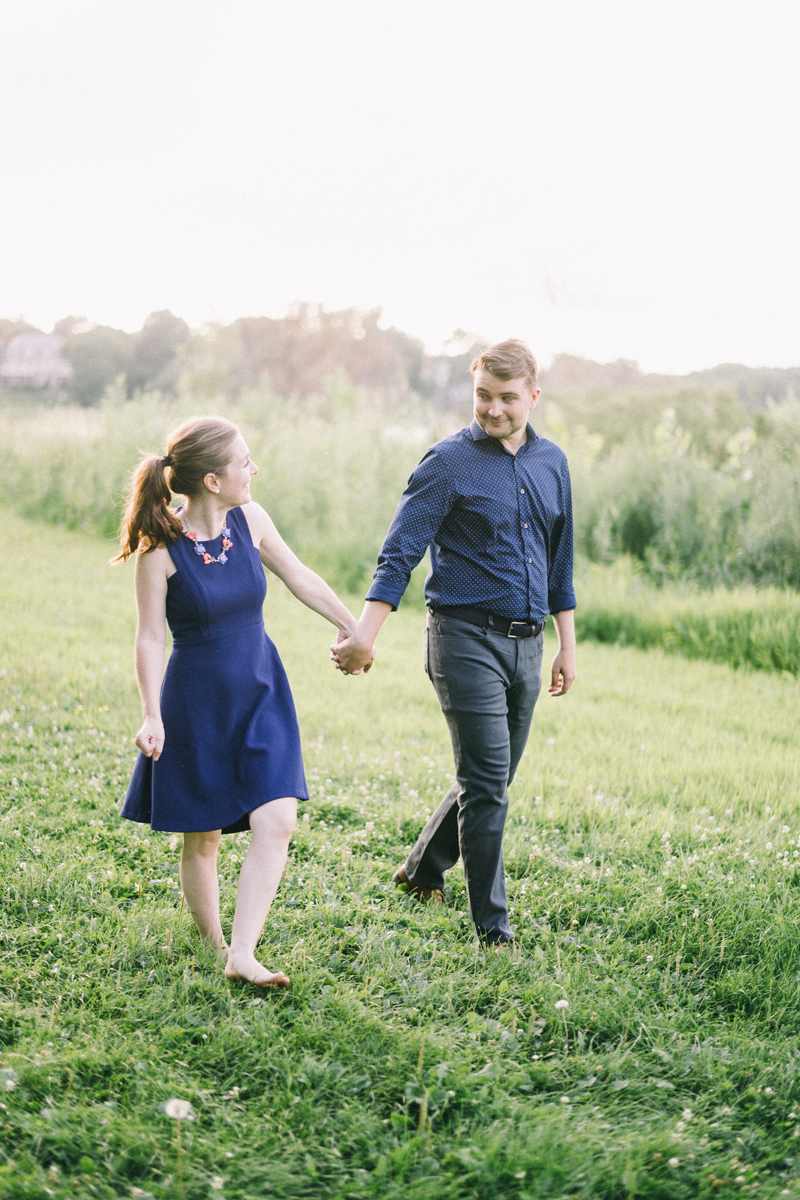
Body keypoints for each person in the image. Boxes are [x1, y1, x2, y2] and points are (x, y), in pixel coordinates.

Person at [332, 339, 576, 946]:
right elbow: (400, 554)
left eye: (507, 399)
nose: (493, 410)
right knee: (489, 783)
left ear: (533, 397)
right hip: (463, 638)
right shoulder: (446, 461)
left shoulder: (553, 463)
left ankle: (420, 870)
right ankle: (493, 929)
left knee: (489, 778)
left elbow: (559, 563)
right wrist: (366, 634)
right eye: (483, 396)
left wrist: (566, 644)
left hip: (527, 645)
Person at [117, 416, 363, 987]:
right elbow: (150, 635)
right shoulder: (161, 550)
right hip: (196, 702)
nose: (254, 470)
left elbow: (299, 575)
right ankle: (215, 942)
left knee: (276, 819)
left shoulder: (251, 520)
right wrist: (151, 713)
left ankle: (243, 953)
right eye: (244, 463)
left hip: (259, 688)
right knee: (202, 834)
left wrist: (354, 628)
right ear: (212, 481)